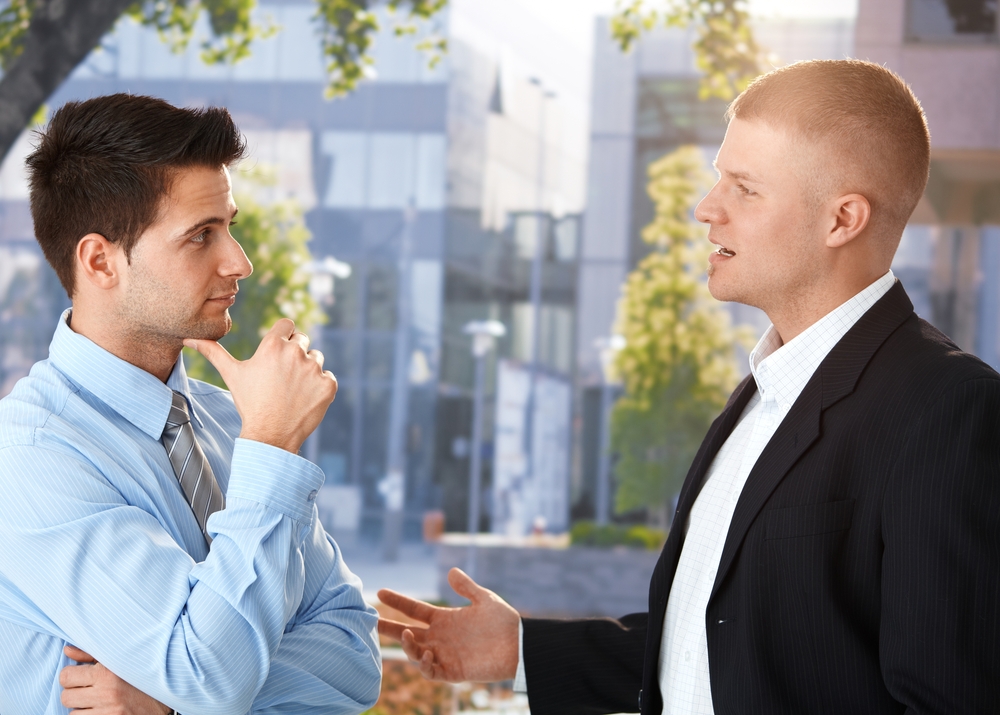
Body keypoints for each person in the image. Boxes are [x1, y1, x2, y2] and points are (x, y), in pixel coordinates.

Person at [378, 59, 1000, 714]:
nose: (707, 209)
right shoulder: (761, 395)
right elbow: (720, 638)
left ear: (842, 219)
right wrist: (522, 648)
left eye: (745, 189)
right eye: (717, 180)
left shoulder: (950, 413)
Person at [0, 94, 381, 714]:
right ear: (100, 261)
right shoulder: (31, 456)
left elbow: (355, 655)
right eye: (201, 236)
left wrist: (174, 704)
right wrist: (272, 445)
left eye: (230, 226)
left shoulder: (233, 423)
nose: (240, 262)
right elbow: (206, 674)